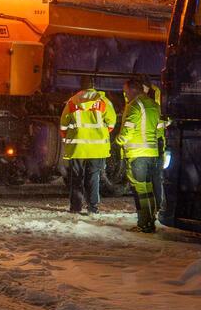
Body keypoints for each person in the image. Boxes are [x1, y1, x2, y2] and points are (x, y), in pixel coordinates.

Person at [60, 81, 117, 214]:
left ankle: (76, 207)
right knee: (93, 177)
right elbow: (111, 123)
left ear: (80, 86)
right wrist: (99, 134)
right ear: (93, 86)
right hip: (97, 148)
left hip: (78, 147)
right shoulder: (104, 102)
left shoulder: (72, 102)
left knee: (76, 177)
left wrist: (69, 138)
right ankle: (93, 207)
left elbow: (63, 124)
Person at [117, 75, 163, 232]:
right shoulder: (153, 105)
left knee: (140, 190)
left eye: (126, 91)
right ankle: (150, 220)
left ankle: (144, 223)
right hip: (151, 153)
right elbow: (159, 128)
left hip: (137, 154)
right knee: (148, 189)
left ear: (133, 90)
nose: (125, 95)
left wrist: (118, 140)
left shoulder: (135, 105)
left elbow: (127, 130)